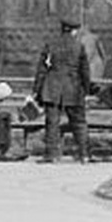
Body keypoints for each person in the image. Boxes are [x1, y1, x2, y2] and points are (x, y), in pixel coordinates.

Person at [34, 17, 91, 163]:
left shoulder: (50, 45)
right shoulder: (79, 46)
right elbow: (85, 71)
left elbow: (42, 69)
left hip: (52, 87)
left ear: (62, 29)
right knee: (79, 122)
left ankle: (52, 155)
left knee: (52, 123)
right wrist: (86, 89)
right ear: (75, 30)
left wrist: (37, 89)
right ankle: (84, 154)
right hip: (73, 87)